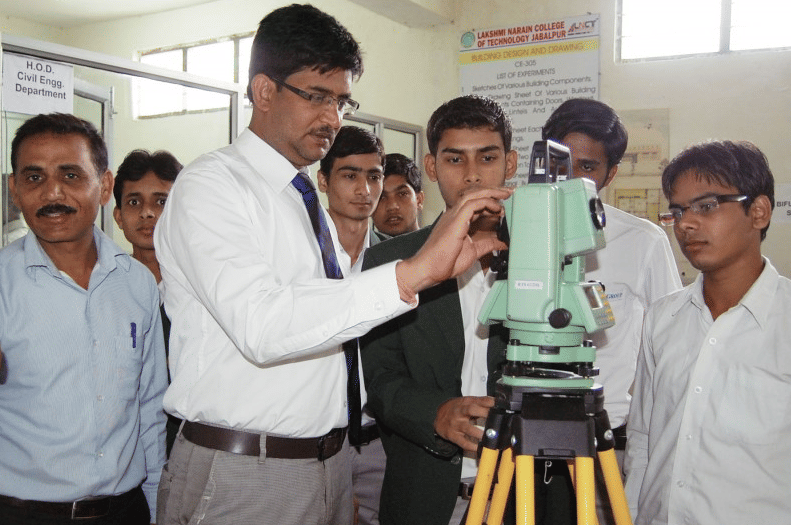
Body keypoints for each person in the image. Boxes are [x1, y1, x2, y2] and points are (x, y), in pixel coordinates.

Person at [153, 6, 510, 525]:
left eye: (342, 101)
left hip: (326, 464)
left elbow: (335, 331)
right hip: (244, 469)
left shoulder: (301, 199)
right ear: (264, 91)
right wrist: (414, 273)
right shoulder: (212, 187)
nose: (333, 118)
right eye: (317, 96)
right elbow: (262, 326)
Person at [0, 113, 168, 524]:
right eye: (34, 177)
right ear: (14, 190)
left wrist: (155, 505)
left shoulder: (137, 285)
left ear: (105, 186)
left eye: (71, 175)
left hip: (125, 511)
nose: (52, 193)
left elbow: (149, 410)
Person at [360, 95, 518, 525]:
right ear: (431, 167)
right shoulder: (391, 263)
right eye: (454, 159)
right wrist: (435, 413)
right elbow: (377, 377)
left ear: (510, 163)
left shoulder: (544, 257)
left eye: (488, 157)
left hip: (520, 495)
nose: (472, 175)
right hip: (423, 497)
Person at [624, 140, 789, 525]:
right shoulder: (663, 318)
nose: (685, 224)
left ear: (759, 212)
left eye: (707, 206)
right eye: (678, 211)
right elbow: (643, 440)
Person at [541, 99, 682, 522]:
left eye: (587, 167)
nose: (571, 177)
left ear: (610, 174)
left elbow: (670, 347)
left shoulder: (643, 241)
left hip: (604, 441)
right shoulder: (512, 229)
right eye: (562, 161)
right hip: (525, 434)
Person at [317, 125, 386, 525]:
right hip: (316, 441)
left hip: (381, 439)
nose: (364, 189)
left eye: (374, 176)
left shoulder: (396, 262)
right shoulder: (301, 258)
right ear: (323, 181)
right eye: (350, 175)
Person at [113, 148, 183, 456]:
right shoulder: (105, 291)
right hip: (125, 445)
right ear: (118, 216)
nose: (147, 213)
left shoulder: (201, 290)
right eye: (134, 202)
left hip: (188, 441)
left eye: (161, 202)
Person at [372, 153, 424, 237]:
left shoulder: (441, 243)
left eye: (402, 194)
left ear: (419, 200)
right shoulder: (358, 245)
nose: (392, 206)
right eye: (381, 197)